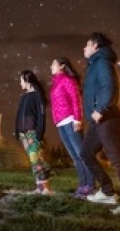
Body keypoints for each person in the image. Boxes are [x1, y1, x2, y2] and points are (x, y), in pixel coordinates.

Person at [80, 32, 120, 215]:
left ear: (95, 45)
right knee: (86, 153)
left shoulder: (101, 63)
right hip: (97, 120)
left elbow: (108, 87)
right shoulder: (94, 65)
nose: (84, 48)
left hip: (106, 118)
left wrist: (100, 109)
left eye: (86, 44)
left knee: (117, 159)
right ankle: (108, 192)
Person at [50, 57, 94, 199]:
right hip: (60, 123)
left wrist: (77, 119)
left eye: (54, 64)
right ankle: (82, 184)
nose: (51, 66)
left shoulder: (68, 80)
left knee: (81, 154)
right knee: (75, 157)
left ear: (62, 66)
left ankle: (90, 184)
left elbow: (76, 100)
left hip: (70, 120)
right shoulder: (55, 82)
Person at [14, 70, 51, 194]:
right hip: (23, 134)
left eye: (21, 80)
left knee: (36, 158)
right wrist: (17, 130)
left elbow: (41, 115)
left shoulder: (37, 95)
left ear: (27, 80)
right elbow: (18, 115)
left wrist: (40, 132)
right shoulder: (23, 97)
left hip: (33, 132)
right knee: (33, 160)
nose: (20, 83)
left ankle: (45, 187)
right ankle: (39, 186)